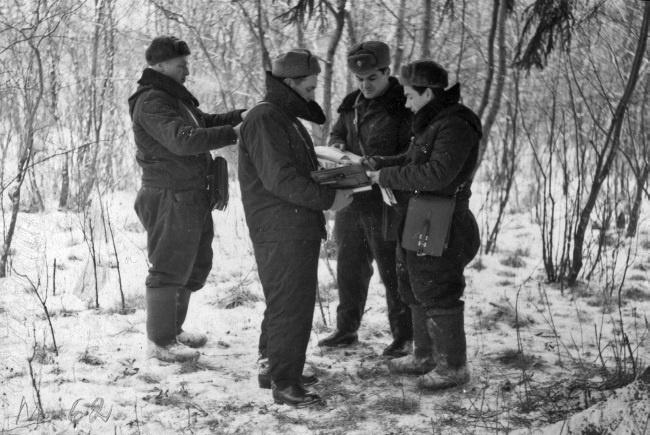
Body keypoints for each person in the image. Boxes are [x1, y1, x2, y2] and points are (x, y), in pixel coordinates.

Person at [238, 49, 353, 407]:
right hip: (281, 225)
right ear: (289, 83)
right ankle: (286, 383)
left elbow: (291, 171)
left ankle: (274, 367)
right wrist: (327, 200)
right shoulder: (265, 118)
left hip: (290, 224)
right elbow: (280, 178)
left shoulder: (282, 117)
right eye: (309, 86)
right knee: (292, 303)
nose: (313, 94)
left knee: (282, 300)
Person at [365, 60, 481, 390]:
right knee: (414, 282)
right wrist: (383, 164)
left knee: (437, 286)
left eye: (410, 95)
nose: (406, 102)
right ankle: (425, 355)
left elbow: (437, 175)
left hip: (440, 216)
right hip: (420, 213)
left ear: (428, 93)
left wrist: (386, 176)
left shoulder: (456, 125)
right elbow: (415, 161)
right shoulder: (433, 121)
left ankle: (453, 366)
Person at [129, 36, 245, 363]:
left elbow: (203, 123)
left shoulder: (173, 98)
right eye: (182, 65)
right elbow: (183, 140)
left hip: (189, 195)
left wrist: (241, 116)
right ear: (161, 65)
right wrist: (235, 133)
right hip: (169, 195)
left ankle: (173, 330)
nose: (187, 71)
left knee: (193, 265)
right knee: (169, 266)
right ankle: (160, 341)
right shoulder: (152, 101)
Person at [317, 41, 413, 358]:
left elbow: (411, 155)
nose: (364, 85)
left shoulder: (404, 106)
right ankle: (346, 330)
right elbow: (336, 135)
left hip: (387, 201)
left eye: (371, 78)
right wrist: (339, 147)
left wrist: (377, 163)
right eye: (359, 79)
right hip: (351, 198)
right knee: (349, 267)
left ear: (387, 73)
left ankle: (404, 336)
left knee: (391, 268)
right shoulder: (351, 104)